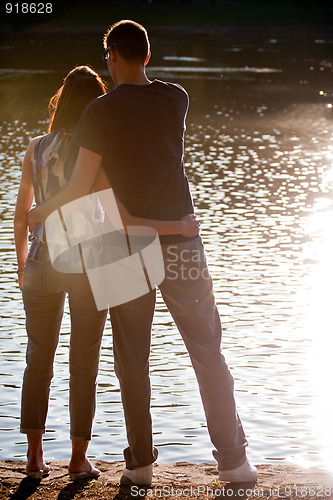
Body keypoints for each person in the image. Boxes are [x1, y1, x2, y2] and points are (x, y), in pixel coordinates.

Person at [28, 21, 257, 485]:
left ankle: (142, 467)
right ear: (147, 56)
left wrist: (40, 212)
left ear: (111, 56)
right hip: (183, 243)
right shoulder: (177, 99)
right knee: (207, 349)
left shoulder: (99, 112)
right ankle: (234, 462)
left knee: (132, 358)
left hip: (125, 246)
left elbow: (77, 188)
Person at [15, 65, 199, 481]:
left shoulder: (35, 148)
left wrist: (22, 263)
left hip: (42, 262)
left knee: (37, 361)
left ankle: (33, 457)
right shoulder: (95, 152)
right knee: (84, 363)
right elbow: (115, 215)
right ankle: (78, 460)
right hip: (84, 264)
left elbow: (21, 214)